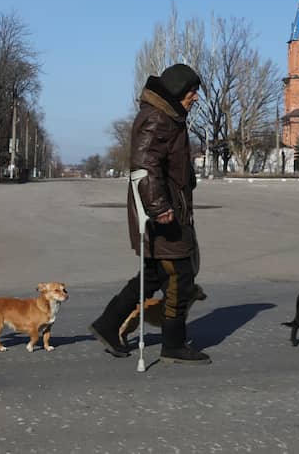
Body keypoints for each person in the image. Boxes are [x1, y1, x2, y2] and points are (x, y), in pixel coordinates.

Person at [88, 63, 210, 365]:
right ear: (178, 91)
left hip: (169, 209)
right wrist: (159, 207)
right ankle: (173, 343)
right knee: (179, 278)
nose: (195, 97)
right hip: (162, 215)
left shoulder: (169, 117)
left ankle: (108, 324)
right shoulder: (158, 118)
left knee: (154, 274)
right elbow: (144, 166)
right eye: (192, 92)